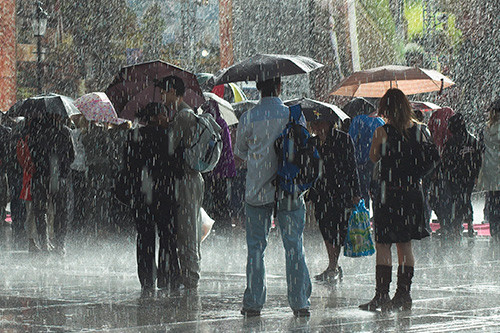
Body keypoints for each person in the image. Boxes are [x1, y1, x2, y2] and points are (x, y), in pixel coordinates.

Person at [235, 77, 312, 317]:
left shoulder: (248, 117)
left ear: (258, 88)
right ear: (280, 87)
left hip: (257, 191)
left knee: (256, 248)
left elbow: (239, 156)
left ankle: (254, 302)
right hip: (289, 189)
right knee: (294, 246)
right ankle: (300, 302)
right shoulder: (292, 114)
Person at [359, 89, 430, 312]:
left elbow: (373, 157)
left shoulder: (382, 131)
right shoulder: (419, 130)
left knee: (383, 244)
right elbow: (428, 159)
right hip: (411, 194)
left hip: (388, 194)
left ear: (385, 109)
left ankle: (381, 294)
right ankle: (403, 294)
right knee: (405, 245)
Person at [124, 102, 181, 295]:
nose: (167, 118)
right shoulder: (168, 136)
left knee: (145, 238)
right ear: (156, 117)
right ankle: (167, 277)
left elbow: (128, 168)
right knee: (167, 237)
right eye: (164, 114)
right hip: (165, 195)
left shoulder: (133, 136)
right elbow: (178, 167)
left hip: (142, 196)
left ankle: (147, 279)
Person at [158, 75, 204, 289]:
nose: (161, 96)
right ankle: (190, 274)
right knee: (189, 227)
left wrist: (165, 128)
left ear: (174, 93)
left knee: (187, 231)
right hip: (192, 179)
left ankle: (191, 279)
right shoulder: (185, 114)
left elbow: (169, 148)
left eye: (164, 92)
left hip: (187, 179)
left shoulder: (183, 116)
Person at [308, 120, 361, 283]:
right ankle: (333, 265)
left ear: (329, 123)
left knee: (337, 228)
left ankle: (333, 265)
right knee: (325, 227)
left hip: (340, 191)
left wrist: (356, 191)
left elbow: (352, 166)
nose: (316, 127)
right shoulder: (312, 142)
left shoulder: (343, 139)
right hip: (320, 192)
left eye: (319, 123)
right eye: (314, 124)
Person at [28, 114, 75, 254]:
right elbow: (72, 155)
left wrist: (40, 166)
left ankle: (44, 243)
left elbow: (32, 154)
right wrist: (62, 169)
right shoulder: (65, 131)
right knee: (61, 211)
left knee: (40, 210)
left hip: (40, 176)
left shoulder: (35, 132)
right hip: (58, 176)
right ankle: (60, 244)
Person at [439, 113, 482, 239]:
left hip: (455, 177)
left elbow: (446, 161)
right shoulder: (472, 140)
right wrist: (476, 174)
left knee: (456, 201)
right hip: (468, 176)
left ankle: (457, 226)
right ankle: (470, 225)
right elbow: (478, 159)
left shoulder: (451, 141)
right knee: (466, 199)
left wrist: (447, 173)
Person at [202, 100, 236, 230]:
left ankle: (212, 227)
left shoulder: (207, 123)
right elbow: (227, 149)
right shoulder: (222, 123)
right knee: (222, 201)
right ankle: (224, 229)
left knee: (211, 201)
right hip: (223, 170)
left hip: (211, 169)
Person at [348, 112, 385, 212]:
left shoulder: (358, 120)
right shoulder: (380, 120)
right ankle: (378, 215)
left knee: (363, 191)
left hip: (361, 160)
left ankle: (364, 216)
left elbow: (351, 139)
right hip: (378, 160)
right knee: (377, 191)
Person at [477, 99, 500, 242]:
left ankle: (495, 230)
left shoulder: (485, 130)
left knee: (492, 202)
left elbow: (481, 151)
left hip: (490, 173)